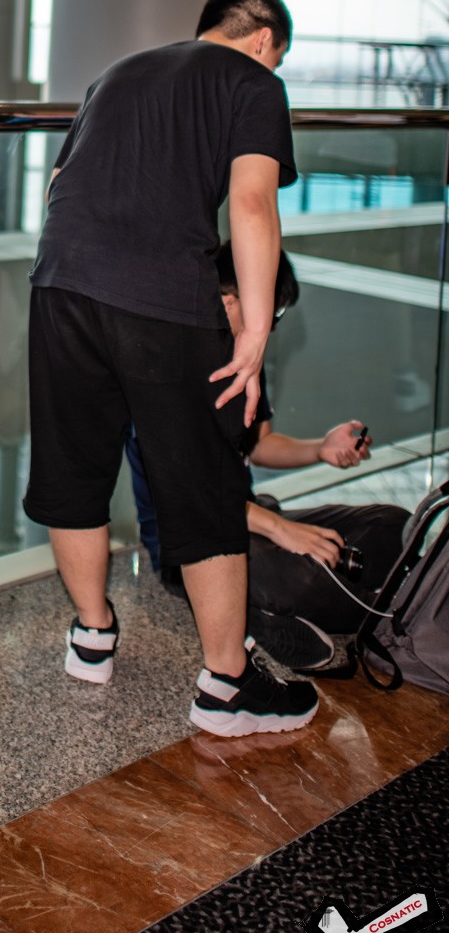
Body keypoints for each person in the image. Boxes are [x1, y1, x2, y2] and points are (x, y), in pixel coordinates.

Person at [23, 0, 321, 737]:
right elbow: (251, 204)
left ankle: (92, 635)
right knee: (202, 482)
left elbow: (58, 184)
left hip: (61, 280)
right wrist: (254, 331)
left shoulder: (119, 72)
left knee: (72, 467)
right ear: (264, 40)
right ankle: (227, 686)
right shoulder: (256, 82)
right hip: (163, 297)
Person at [129, 246, 408, 670]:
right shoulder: (167, 372)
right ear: (227, 301)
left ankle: (276, 606)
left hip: (250, 515)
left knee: (391, 523)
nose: (272, 327)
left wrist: (320, 448)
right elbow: (192, 493)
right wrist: (282, 530)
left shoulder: (243, 358)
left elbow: (259, 445)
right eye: (271, 313)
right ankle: (255, 617)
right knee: (307, 578)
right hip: (192, 541)